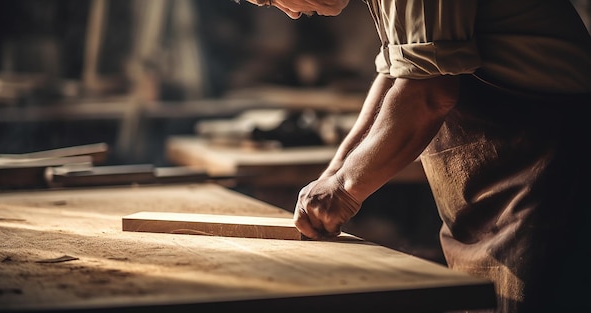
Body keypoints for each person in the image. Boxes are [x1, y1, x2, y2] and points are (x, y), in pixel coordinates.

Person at [241, 0, 591, 312]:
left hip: (549, 171)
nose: (292, 12)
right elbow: (395, 76)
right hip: (496, 191)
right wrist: (333, 174)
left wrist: (345, 191)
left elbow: (426, 93)